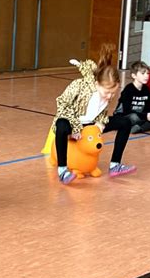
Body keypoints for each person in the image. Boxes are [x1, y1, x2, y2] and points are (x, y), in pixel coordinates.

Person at [52, 44, 136, 184]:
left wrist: (101, 122)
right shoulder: (79, 85)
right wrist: (76, 127)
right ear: (97, 85)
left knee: (125, 122)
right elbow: (62, 104)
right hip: (73, 121)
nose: (109, 96)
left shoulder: (107, 94)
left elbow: (101, 112)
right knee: (61, 126)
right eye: (106, 92)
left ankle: (115, 165)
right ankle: (62, 170)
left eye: (113, 93)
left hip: (91, 124)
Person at [114, 61, 150, 134]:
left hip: (141, 116)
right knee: (134, 117)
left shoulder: (145, 89)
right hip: (125, 116)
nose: (146, 76)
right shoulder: (128, 90)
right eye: (143, 73)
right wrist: (146, 116)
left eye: (147, 73)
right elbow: (126, 111)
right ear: (134, 76)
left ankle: (139, 128)